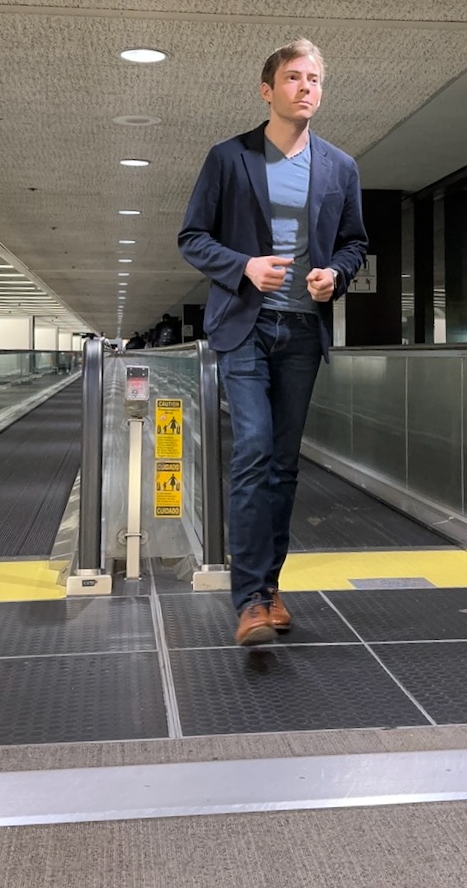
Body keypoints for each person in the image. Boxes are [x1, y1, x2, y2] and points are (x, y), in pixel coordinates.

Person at [178, 39, 368, 646]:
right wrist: (244, 267)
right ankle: (251, 597)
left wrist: (335, 274)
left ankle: (269, 587)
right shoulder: (229, 158)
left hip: (303, 332)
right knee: (254, 448)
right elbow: (192, 237)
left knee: (283, 465)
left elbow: (354, 243)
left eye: (314, 78)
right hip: (245, 325)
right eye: (293, 77)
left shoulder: (340, 166)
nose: (306, 87)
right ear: (268, 90)